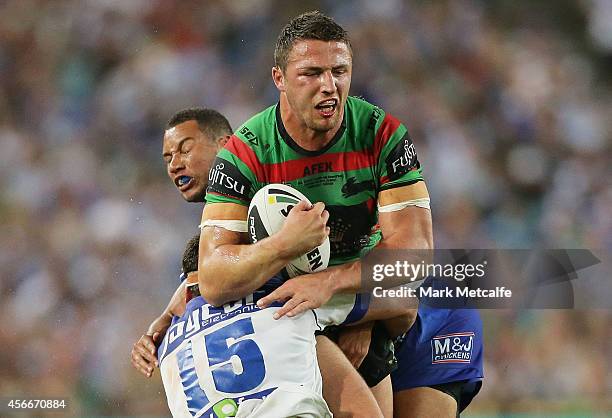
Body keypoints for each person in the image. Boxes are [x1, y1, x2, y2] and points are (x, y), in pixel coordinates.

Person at [197, 11, 432, 417]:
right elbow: (214, 279)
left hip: (365, 297)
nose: (329, 86)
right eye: (311, 73)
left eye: (340, 71)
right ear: (279, 79)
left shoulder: (382, 135)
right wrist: (284, 245)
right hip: (287, 310)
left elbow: (415, 256)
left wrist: (332, 284)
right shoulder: (243, 154)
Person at [131, 106, 412, 417]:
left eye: (185, 150)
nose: (175, 164)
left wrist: (367, 320)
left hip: (366, 303)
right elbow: (208, 276)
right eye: (168, 158)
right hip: (315, 316)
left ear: (227, 145)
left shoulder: (273, 192)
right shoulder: (222, 221)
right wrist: (169, 314)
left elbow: (366, 252)